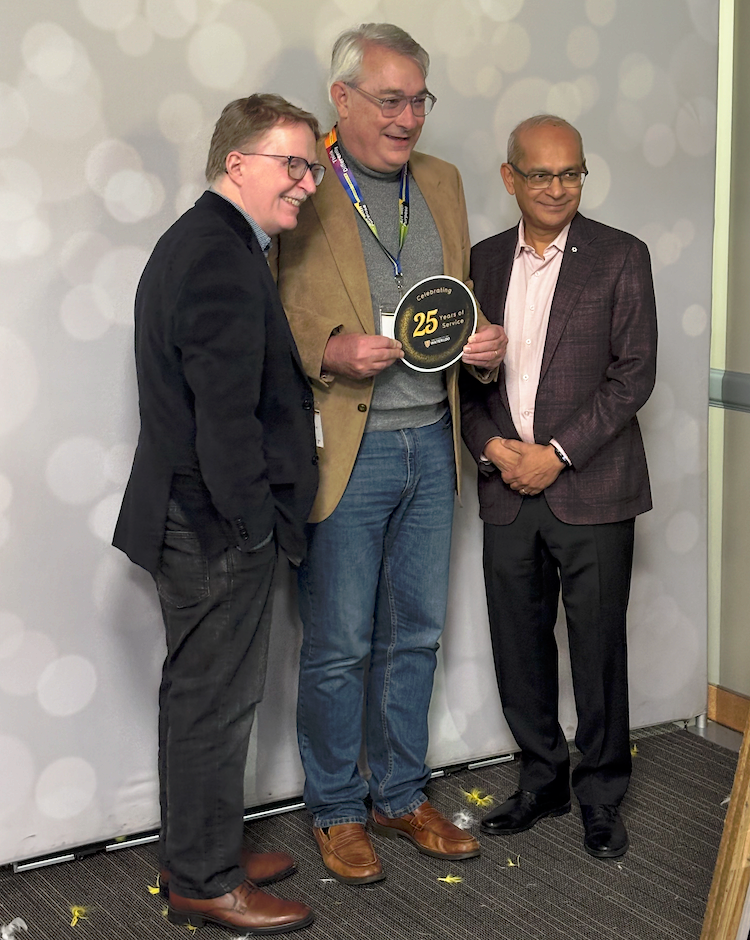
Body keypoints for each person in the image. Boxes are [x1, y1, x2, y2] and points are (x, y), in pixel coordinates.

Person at [275, 23, 507, 884]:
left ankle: (402, 793)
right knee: (337, 643)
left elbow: (455, 302)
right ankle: (337, 809)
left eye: (419, 99)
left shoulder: (440, 182)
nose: (408, 117)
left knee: (416, 634)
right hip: (348, 447)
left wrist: (481, 340)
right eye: (390, 99)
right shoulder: (303, 182)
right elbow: (275, 308)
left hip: (431, 445)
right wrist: (327, 350)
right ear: (342, 100)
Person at [112, 93, 323, 932]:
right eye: (292, 165)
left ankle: (201, 847)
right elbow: (224, 417)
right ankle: (204, 880)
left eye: (312, 166)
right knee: (213, 705)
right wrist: (253, 526)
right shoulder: (218, 256)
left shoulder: (214, 242)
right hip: (212, 527)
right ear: (237, 162)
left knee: (197, 699)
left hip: (193, 517)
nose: (307, 184)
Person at [460, 114, 657, 860]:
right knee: (518, 644)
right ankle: (542, 779)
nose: (556, 188)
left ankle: (602, 794)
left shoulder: (620, 257)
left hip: (593, 488)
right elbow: (463, 383)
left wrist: (560, 452)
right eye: (540, 174)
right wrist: (496, 449)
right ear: (510, 178)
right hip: (507, 485)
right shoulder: (478, 262)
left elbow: (633, 373)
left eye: (570, 173)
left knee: (599, 647)